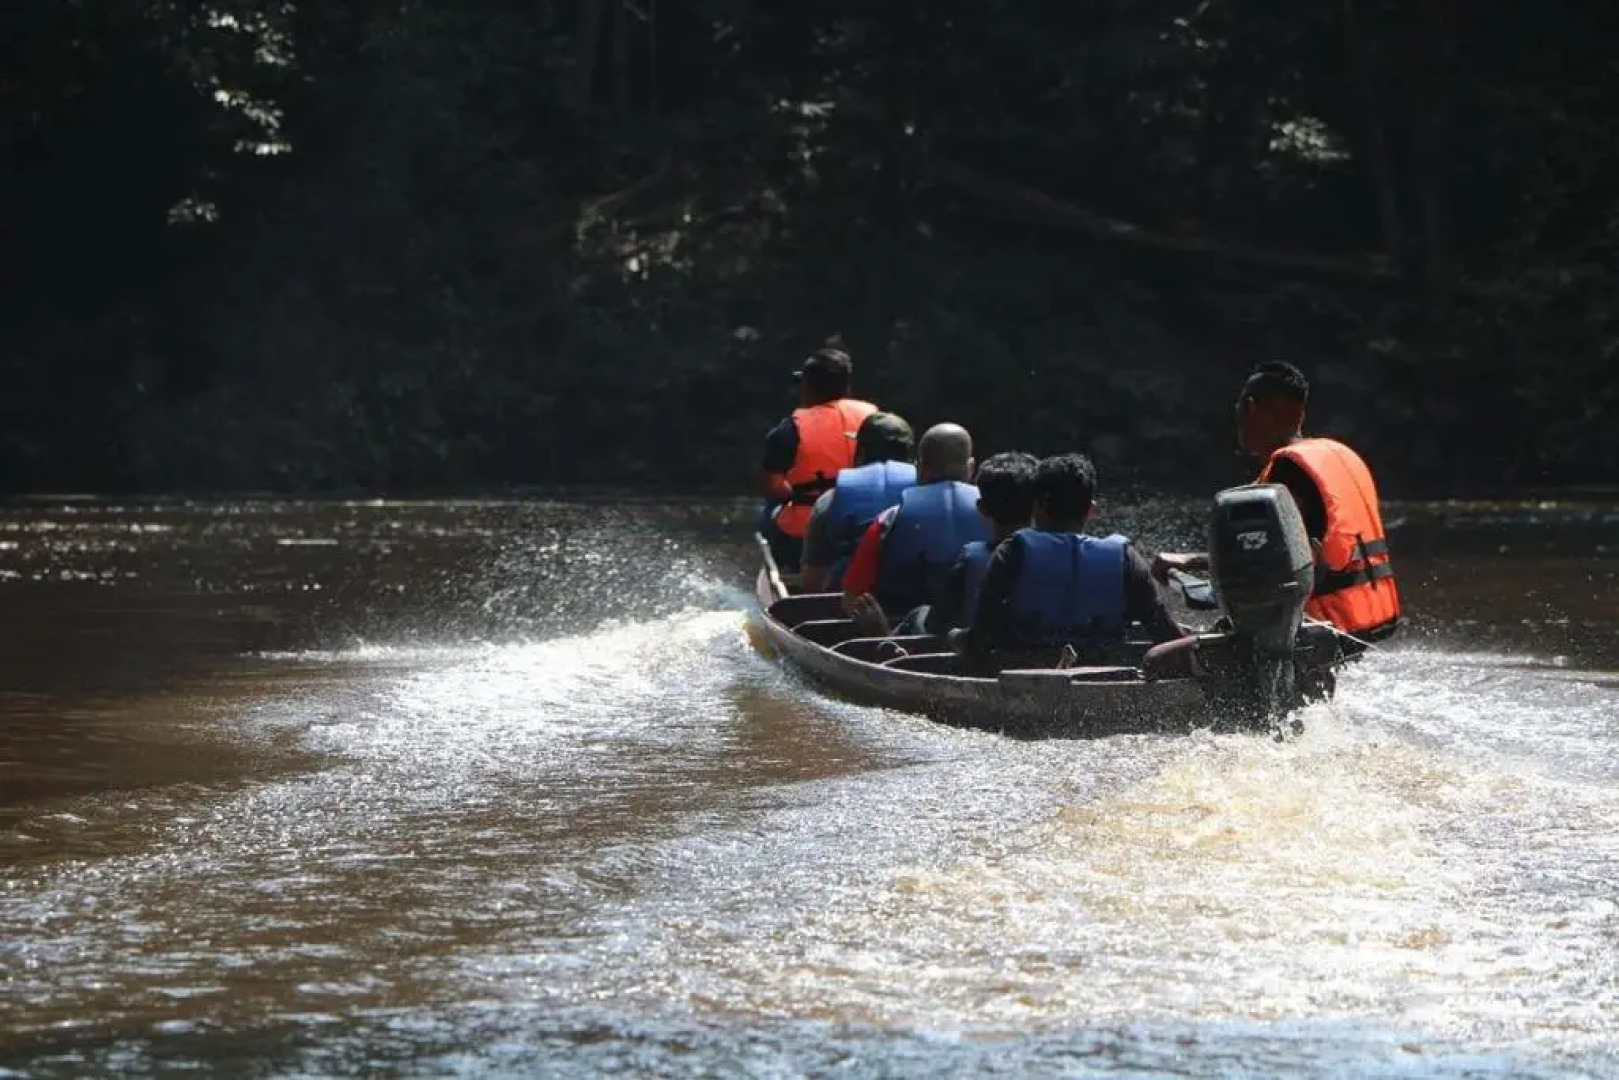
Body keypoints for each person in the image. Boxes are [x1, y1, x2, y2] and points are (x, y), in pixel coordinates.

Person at [1152, 361, 1401, 642]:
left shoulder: (1287, 472)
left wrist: (1187, 561)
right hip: (1371, 615)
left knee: (1159, 659)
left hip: (1318, 622)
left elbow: (1269, 557)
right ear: (1301, 412)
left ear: (1250, 408)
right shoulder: (1342, 454)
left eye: (1239, 412)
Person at [960, 453, 1185, 670]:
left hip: (1026, 672)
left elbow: (981, 636)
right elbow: (1164, 634)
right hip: (1106, 673)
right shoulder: (1126, 557)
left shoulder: (1012, 552)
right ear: (1091, 510)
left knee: (957, 637)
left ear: (1036, 507)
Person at [862, 451, 1039, 636]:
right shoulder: (1062, 554)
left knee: (920, 615)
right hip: (1038, 653)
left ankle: (887, 639)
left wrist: (882, 631)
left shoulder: (971, 558)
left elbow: (936, 626)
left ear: (981, 509)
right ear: (1038, 506)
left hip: (980, 656)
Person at [840, 423, 992, 625]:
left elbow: (852, 598)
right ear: (971, 468)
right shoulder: (996, 517)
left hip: (905, 641)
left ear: (919, 468)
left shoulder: (889, 520)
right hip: (977, 637)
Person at [757, 347, 877, 569]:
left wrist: (799, 494)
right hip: (867, 522)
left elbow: (774, 488)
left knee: (766, 513)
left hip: (806, 529)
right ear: (847, 387)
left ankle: (783, 571)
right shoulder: (875, 420)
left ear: (807, 388)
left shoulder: (789, 430)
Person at [800, 412, 918, 593]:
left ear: (861, 453)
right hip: (908, 603)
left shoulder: (829, 501)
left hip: (845, 605)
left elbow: (812, 581)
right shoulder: (926, 499)